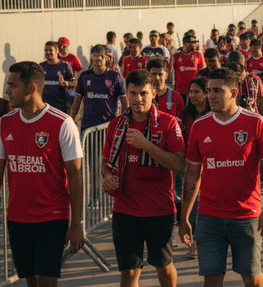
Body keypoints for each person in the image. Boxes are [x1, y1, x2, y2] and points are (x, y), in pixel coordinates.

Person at [181, 68, 263, 287]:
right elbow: (192, 175)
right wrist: (185, 216)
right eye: (209, 91)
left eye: (217, 90)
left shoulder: (255, 122)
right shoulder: (199, 125)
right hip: (208, 216)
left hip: (246, 216)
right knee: (212, 279)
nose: (210, 96)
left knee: (251, 277)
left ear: (234, 93)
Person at [0, 61, 84, 286]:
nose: (7, 91)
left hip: (51, 216)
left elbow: (75, 177)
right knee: (30, 280)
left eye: (12, 85)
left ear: (31, 89)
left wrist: (76, 224)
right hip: (17, 217)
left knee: (46, 280)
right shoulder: (5, 123)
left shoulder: (62, 123)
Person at [101, 69, 186, 287]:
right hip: (125, 211)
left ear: (154, 93)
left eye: (143, 93)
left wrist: (146, 145)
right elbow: (105, 162)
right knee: (129, 273)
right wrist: (107, 174)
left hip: (159, 210)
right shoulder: (116, 125)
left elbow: (178, 164)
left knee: (164, 268)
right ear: (126, 94)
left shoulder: (169, 123)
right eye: (133, 93)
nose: (138, 99)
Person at [177, 77, 209, 259]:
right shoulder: (185, 114)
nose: (192, 95)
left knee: (203, 203)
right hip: (190, 164)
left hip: (209, 164)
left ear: (206, 94)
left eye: (197, 92)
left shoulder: (213, 113)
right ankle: (195, 242)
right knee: (191, 202)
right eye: (191, 92)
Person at [71, 45, 127, 131]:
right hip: (88, 125)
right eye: (94, 61)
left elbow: (124, 100)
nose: (97, 63)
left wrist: (125, 119)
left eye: (99, 60)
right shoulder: (85, 76)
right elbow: (77, 99)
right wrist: (72, 117)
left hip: (108, 125)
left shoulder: (116, 77)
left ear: (106, 58)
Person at [40, 41, 75, 113]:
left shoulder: (64, 66)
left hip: (60, 106)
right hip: (44, 106)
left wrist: (66, 83)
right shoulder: (41, 66)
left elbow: (74, 83)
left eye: (50, 50)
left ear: (57, 51)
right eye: (46, 50)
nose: (48, 52)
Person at [172, 34, 205, 102]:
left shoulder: (198, 55)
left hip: (193, 91)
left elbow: (201, 73)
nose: (195, 44)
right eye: (193, 42)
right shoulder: (176, 56)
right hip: (180, 91)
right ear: (185, 43)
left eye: (196, 42)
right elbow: (172, 73)